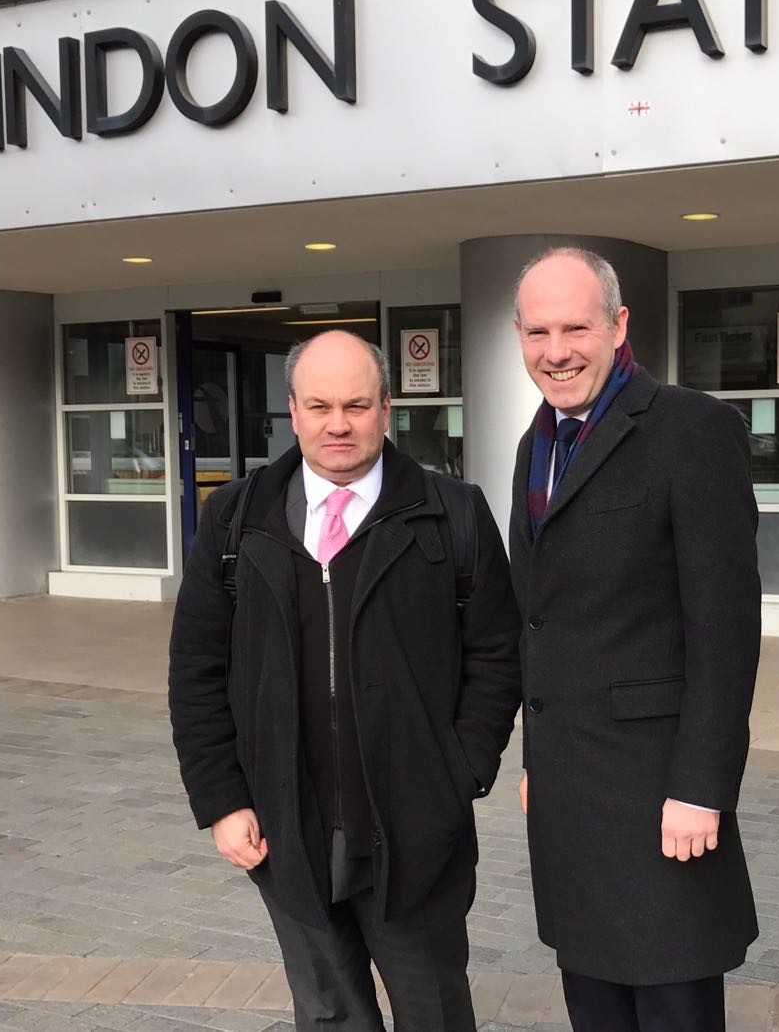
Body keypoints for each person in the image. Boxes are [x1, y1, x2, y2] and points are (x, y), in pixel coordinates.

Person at [169, 330, 521, 1032]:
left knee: (436, 1013)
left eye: (357, 405)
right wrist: (222, 799)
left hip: (415, 830)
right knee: (330, 1014)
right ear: (292, 411)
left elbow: (497, 655)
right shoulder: (236, 521)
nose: (338, 424)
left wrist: (458, 775)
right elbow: (196, 671)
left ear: (386, 408)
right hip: (283, 826)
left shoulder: (452, 515)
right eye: (320, 405)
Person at [508, 247, 761, 1032]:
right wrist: (534, 758)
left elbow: (725, 629)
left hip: (660, 796)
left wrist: (701, 785)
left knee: (671, 999)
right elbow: (542, 619)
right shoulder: (537, 444)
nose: (557, 351)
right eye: (538, 331)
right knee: (595, 1003)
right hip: (570, 791)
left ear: (619, 326)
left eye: (576, 327)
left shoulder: (692, 430)